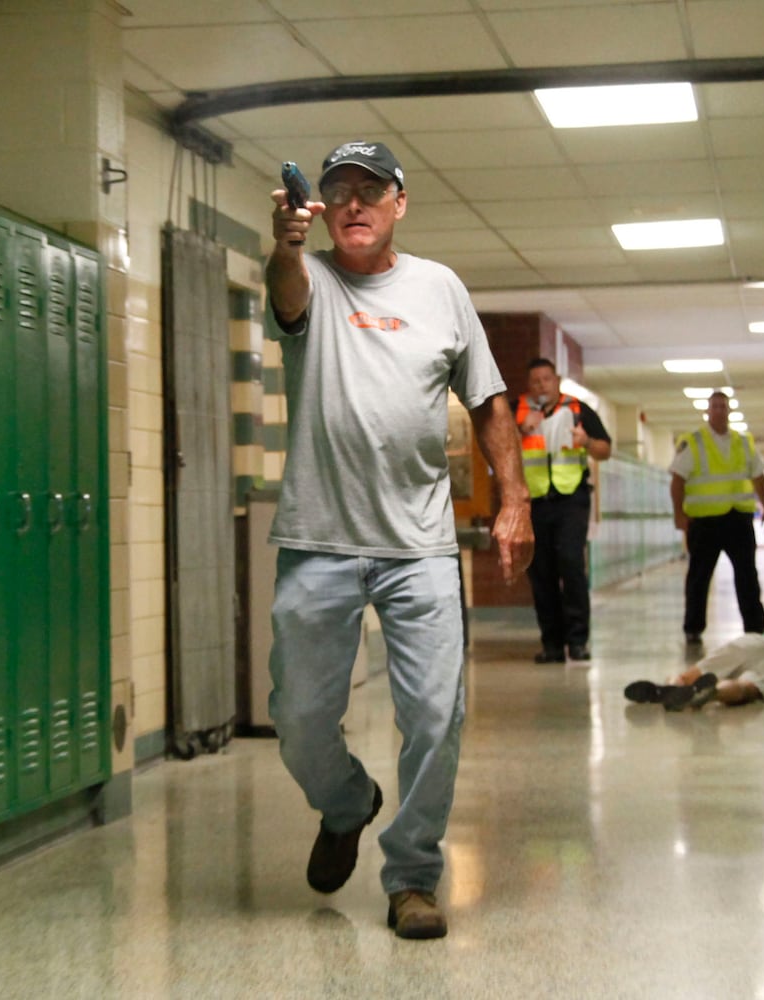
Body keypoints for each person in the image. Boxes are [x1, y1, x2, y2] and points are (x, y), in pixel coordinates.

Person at [265, 140, 534, 940]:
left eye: (369, 191)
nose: (353, 204)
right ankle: (346, 803)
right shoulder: (305, 274)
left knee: (433, 716)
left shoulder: (440, 289)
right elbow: (285, 296)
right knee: (299, 720)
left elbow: (486, 400)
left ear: (398, 203)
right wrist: (283, 246)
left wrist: (513, 500)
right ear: (319, 209)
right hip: (317, 540)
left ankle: (411, 874)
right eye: (338, 191)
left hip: (418, 546)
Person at [516, 358, 612, 663]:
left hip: (571, 499)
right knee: (541, 573)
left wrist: (586, 442)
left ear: (556, 381)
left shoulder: (578, 409)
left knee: (571, 565)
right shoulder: (516, 409)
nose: (541, 385)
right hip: (534, 502)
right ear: (528, 385)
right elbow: (496, 445)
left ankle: (578, 641)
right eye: (535, 381)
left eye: (546, 379)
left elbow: (606, 450)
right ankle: (552, 645)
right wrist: (521, 429)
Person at [670, 391, 764, 645]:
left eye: (723, 406)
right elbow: (677, 481)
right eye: (714, 406)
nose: (719, 410)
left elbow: (758, 475)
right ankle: (693, 628)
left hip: (738, 518)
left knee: (747, 575)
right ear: (708, 411)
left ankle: (755, 628)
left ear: (729, 411)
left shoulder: (743, 442)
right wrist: (679, 514)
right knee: (699, 577)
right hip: (705, 522)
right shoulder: (693, 442)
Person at [624, 631, 764, 711]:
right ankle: (713, 694)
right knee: (746, 688)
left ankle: (673, 685)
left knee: (692, 674)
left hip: (756, 641)